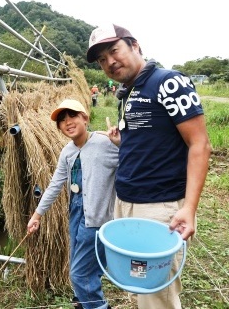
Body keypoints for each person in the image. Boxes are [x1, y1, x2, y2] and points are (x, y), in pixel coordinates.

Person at [86, 23, 211, 309]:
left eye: (114, 51)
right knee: (138, 285)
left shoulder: (168, 82)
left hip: (159, 209)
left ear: (135, 45)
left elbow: (200, 145)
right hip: (128, 204)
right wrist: (122, 142)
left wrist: (189, 209)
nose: (110, 62)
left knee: (157, 296)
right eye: (102, 60)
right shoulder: (128, 91)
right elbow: (153, 139)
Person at [27, 99, 119, 309]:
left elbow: (133, 160)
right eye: (62, 120)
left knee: (79, 273)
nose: (67, 122)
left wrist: (121, 144)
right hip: (76, 213)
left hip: (97, 218)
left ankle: (97, 306)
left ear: (85, 118)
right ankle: (84, 301)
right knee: (82, 264)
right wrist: (37, 215)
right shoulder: (67, 151)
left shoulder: (105, 142)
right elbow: (55, 185)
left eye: (72, 116)